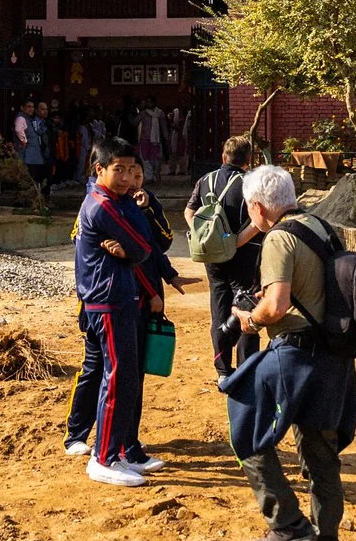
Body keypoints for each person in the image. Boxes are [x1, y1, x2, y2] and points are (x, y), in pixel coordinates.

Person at [227, 165, 356, 541]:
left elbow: (277, 306)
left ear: (258, 206)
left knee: (244, 424)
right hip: (333, 354)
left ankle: (285, 521)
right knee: (320, 451)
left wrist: (249, 320)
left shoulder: (278, 239)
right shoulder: (320, 225)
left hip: (296, 352)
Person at [66, 138, 178, 486]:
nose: (128, 177)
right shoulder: (101, 206)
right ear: (99, 169)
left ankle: (123, 450)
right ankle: (102, 456)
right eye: (119, 170)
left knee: (125, 377)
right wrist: (133, 251)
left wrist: (129, 251)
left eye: (132, 170)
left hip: (121, 298)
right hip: (106, 301)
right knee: (113, 376)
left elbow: (146, 242)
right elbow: (144, 247)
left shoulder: (120, 201)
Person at [187, 135, 265, 379]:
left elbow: (189, 211)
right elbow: (258, 220)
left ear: (223, 157)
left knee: (219, 309)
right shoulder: (250, 184)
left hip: (213, 258)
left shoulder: (204, 180)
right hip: (244, 256)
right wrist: (233, 243)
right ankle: (246, 370)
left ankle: (222, 370)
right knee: (246, 308)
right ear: (248, 160)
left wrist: (203, 238)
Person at [20, 102, 53, 199]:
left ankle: (46, 199)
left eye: (46, 109)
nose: (45, 112)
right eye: (42, 109)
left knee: (47, 180)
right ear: (37, 111)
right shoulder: (32, 123)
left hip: (47, 156)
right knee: (35, 178)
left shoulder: (48, 124)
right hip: (35, 155)